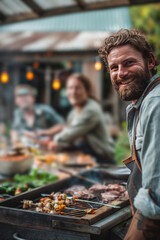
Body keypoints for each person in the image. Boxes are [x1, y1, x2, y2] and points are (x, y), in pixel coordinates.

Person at [99, 29, 160, 239]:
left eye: (128, 63)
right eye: (114, 67)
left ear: (150, 61)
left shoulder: (156, 105)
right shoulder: (139, 105)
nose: (120, 73)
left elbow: (154, 205)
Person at [47, 73, 115, 164]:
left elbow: (73, 132)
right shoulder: (73, 113)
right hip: (87, 158)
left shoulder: (91, 109)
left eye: (78, 88)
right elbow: (69, 134)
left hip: (103, 161)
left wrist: (56, 140)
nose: (73, 92)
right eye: (70, 88)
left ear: (87, 91)